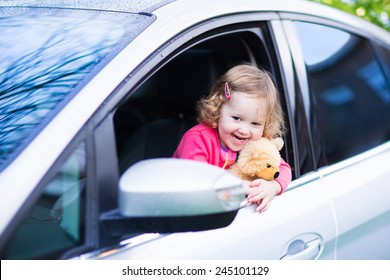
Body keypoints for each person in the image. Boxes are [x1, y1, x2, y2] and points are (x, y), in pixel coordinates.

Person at [173, 64, 292, 212]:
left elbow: (284, 168)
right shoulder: (198, 139)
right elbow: (196, 180)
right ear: (218, 109)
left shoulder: (257, 143)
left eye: (255, 123)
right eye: (236, 118)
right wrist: (239, 185)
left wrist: (273, 186)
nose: (244, 130)